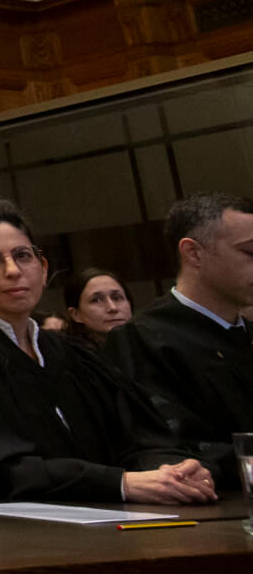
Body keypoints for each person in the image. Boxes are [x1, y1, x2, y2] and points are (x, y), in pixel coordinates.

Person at [0, 197, 213, 505]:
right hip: (20, 535)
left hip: (116, 519)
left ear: (43, 269)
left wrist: (172, 471)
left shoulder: (73, 352)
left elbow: (141, 436)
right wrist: (121, 484)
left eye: (22, 256)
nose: (13, 270)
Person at [107, 193, 253, 485]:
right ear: (194, 253)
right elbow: (164, 446)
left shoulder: (246, 332)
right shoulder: (142, 339)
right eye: (250, 253)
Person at [62, 268, 132, 348]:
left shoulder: (146, 346)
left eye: (117, 298)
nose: (113, 308)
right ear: (76, 314)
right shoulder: (65, 357)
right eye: (96, 300)